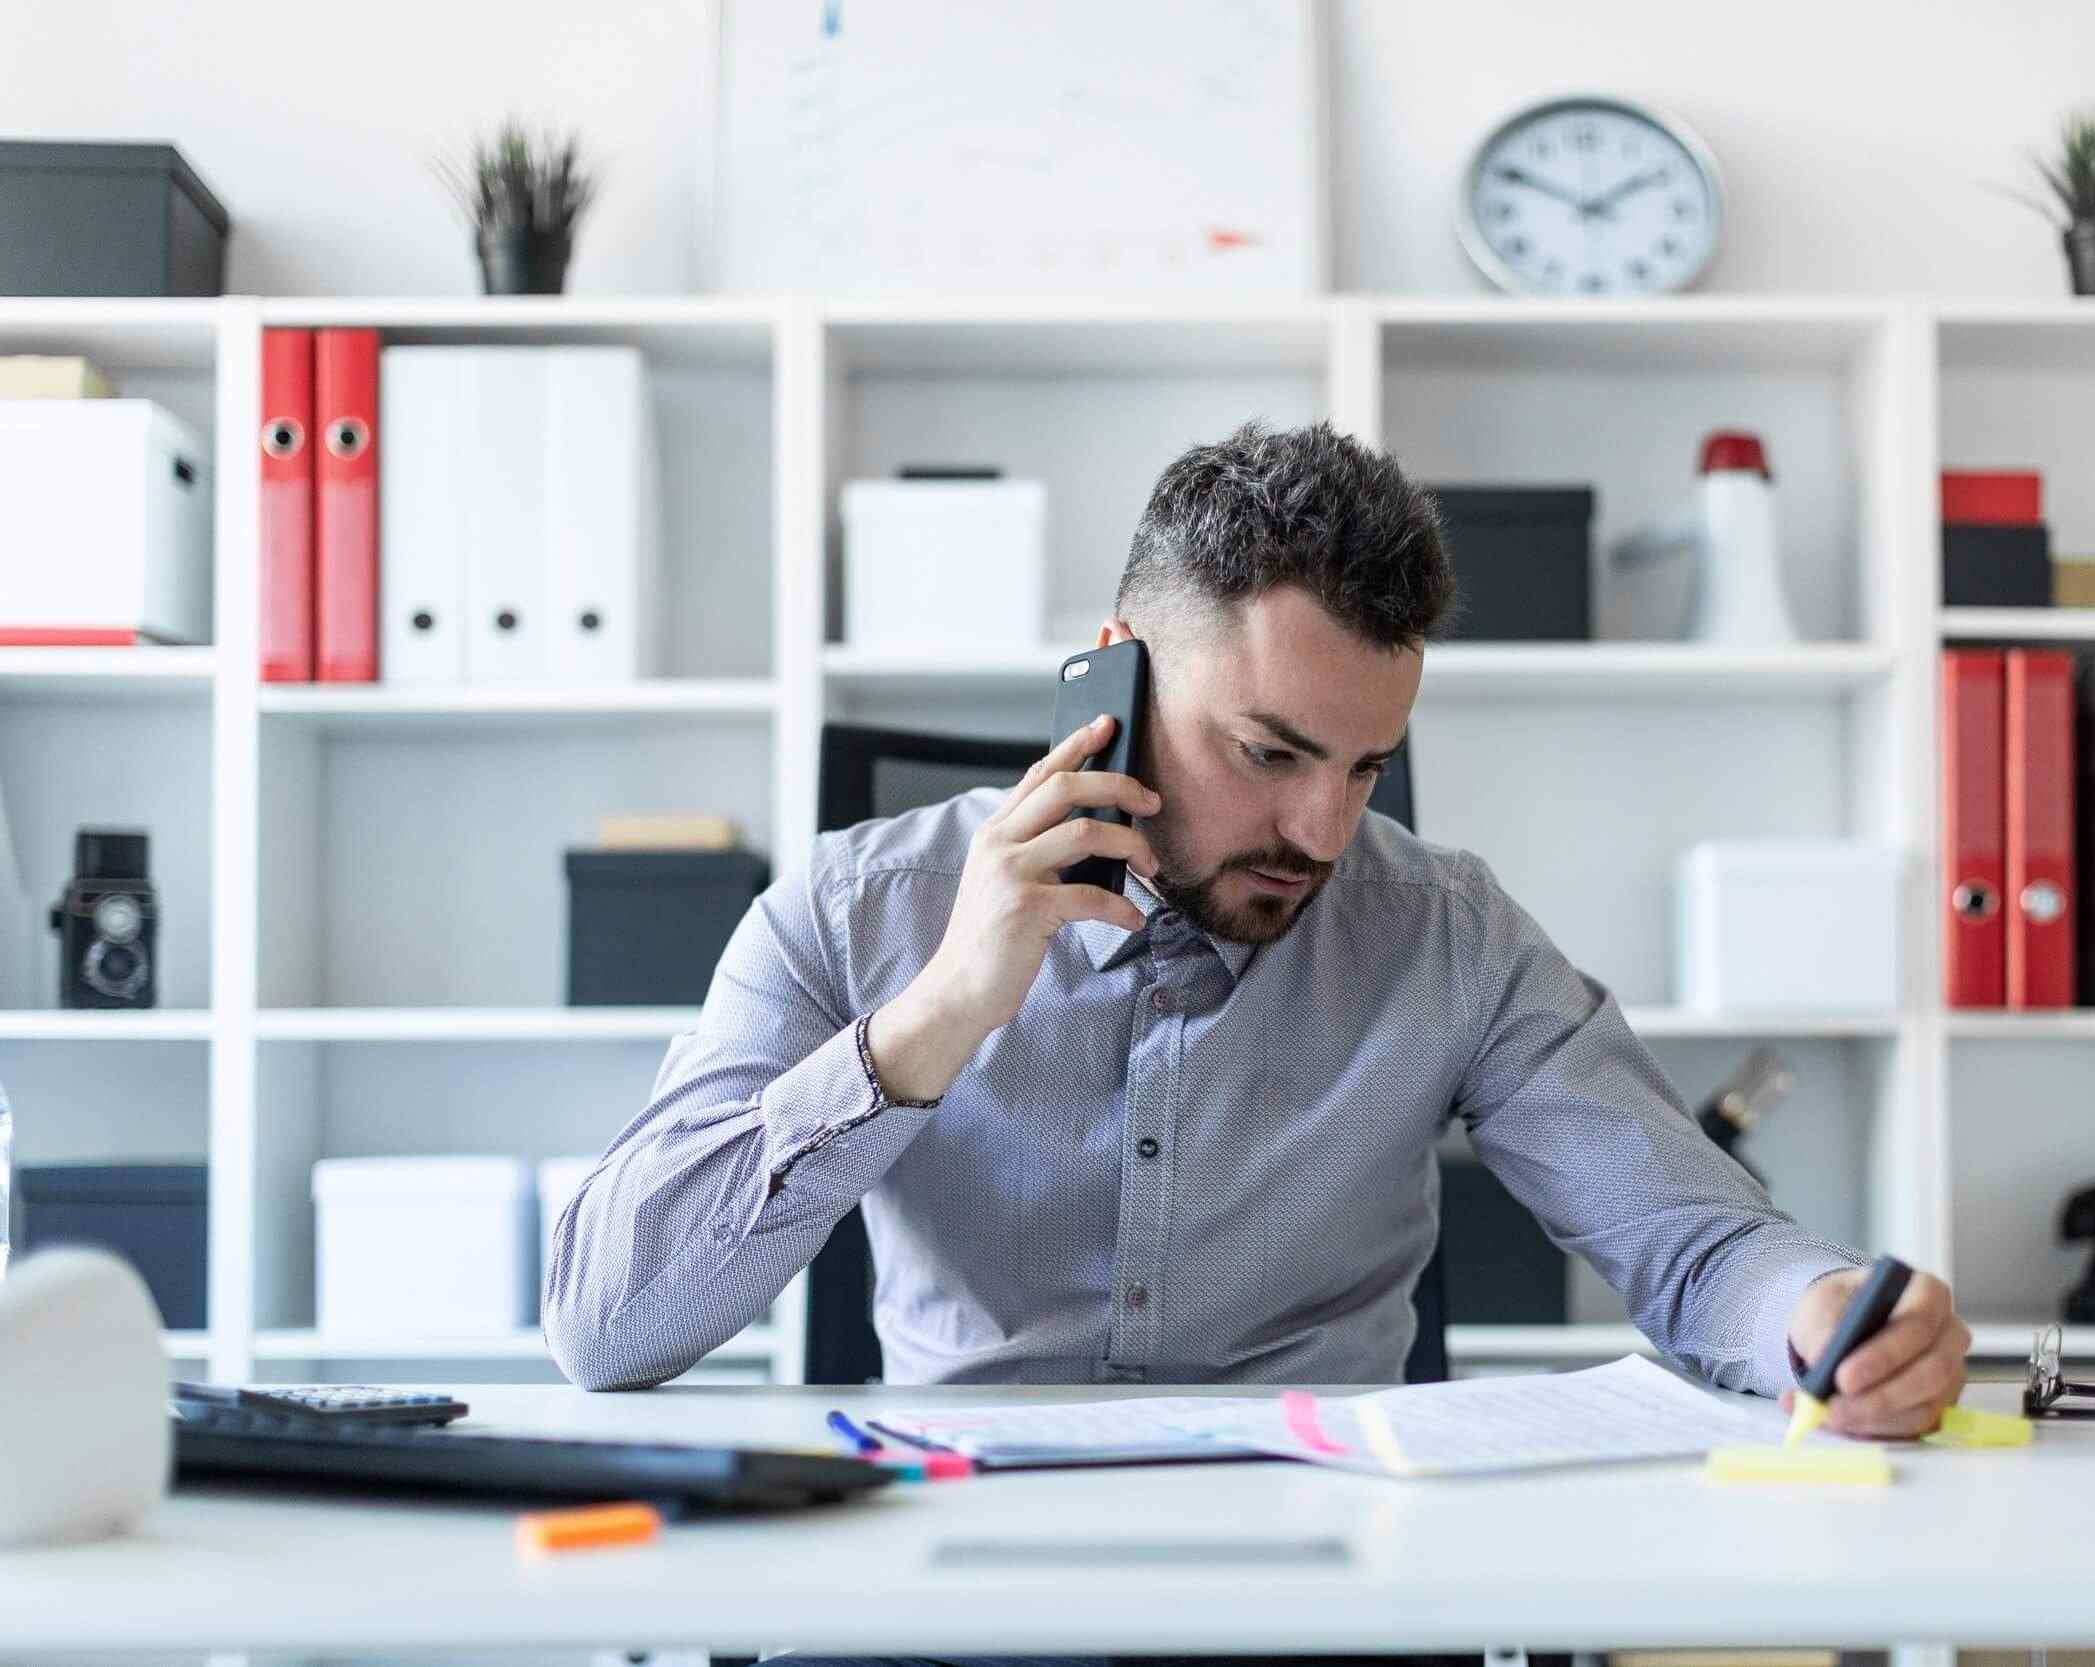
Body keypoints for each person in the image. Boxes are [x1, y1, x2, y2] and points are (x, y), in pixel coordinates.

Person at [543, 420, 1968, 1445]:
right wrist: (931, 1025)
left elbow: (1697, 1245)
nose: (1326, 836)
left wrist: (1827, 1310)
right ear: (1114, 675)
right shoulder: (855, 909)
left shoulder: (1449, 937)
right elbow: (606, 1329)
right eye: (1272, 755)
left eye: (1365, 769)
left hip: (1334, 1602)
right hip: (960, 1581)